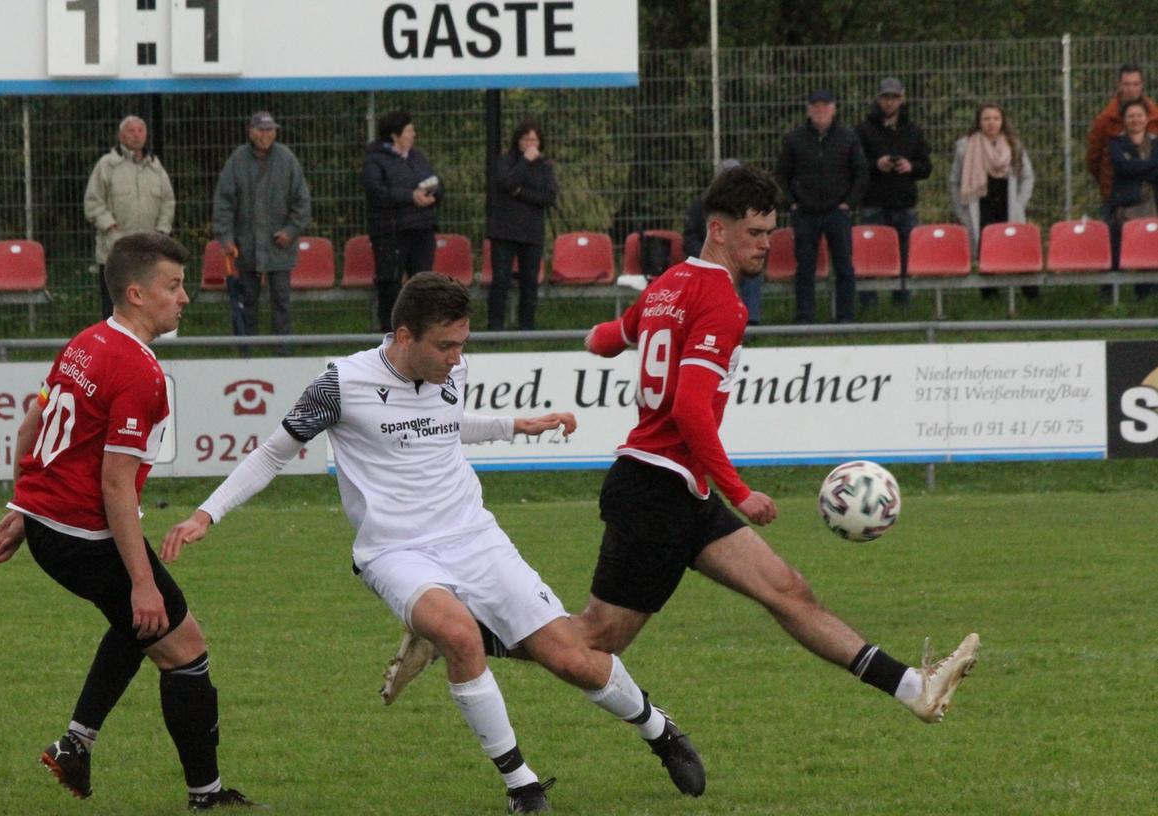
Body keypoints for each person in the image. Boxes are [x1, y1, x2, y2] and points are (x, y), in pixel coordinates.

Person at [380, 168, 982, 761]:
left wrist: (600, 339)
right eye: (754, 233)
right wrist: (739, 491)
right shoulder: (722, 301)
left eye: (770, 232)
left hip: (678, 487)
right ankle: (458, 636)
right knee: (593, 643)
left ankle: (915, 689)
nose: (765, 245)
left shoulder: (668, 284)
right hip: (655, 489)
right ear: (718, 230)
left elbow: (610, 337)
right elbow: (691, 407)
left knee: (788, 591)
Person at [161, 272, 706, 813]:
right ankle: (523, 786)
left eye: (462, 344)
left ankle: (660, 731)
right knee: (459, 635)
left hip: (474, 536)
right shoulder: (340, 385)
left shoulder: (453, 370)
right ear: (404, 337)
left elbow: (445, 423)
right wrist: (207, 513)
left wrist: (518, 425)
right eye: (445, 345)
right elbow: (273, 453)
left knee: (573, 659)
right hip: (394, 551)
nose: (456, 356)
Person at [0, 232, 256, 811]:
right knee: (184, 648)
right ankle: (207, 799)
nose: (184, 298)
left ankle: (76, 744)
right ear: (136, 292)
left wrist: (24, 508)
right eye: (172, 286)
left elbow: (33, 428)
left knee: (138, 628)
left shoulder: (85, 342)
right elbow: (112, 483)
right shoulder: (139, 370)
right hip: (85, 535)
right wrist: (142, 578)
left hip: (54, 530)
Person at [212, 111, 312, 350]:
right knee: (247, 301)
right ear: (251, 131)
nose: (265, 135)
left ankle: (282, 351)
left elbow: (302, 202)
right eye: (260, 130)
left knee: (281, 301)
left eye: (269, 130)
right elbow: (223, 204)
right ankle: (247, 352)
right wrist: (225, 238)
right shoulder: (237, 160)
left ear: (275, 132)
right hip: (245, 247)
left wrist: (290, 230)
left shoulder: (288, 160)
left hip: (280, 247)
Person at [776, 89, 867, 323]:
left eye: (825, 106)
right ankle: (804, 317)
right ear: (808, 110)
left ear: (834, 108)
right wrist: (792, 203)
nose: (820, 110)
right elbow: (781, 176)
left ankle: (846, 316)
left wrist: (849, 203)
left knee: (844, 267)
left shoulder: (848, 137)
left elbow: (861, 173)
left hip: (838, 212)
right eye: (815, 106)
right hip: (805, 213)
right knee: (805, 268)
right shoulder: (794, 139)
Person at [84, 116, 177, 320]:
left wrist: (161, 231)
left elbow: (168, 201)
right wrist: (110, 228)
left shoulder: (156, 166)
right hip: (114, 251)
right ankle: (112, 350)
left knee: (145, 306)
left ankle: (141, 349)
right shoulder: (106, 165)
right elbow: (93, 202)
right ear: (120, 135)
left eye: (140, 131)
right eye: (131, 131)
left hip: (148, 253)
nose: (136, 135)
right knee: (115, 307)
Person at [362, 111, 443, 333]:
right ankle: (389, 330)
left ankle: (421, 330)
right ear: (395, 135)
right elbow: (376, 192)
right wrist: (410, 197)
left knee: (423, 282)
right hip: (391, 231)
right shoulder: (375, 161)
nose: (413, 134)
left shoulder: (417, 157)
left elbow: (435, 180)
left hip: (422, 228)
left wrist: (434, 194)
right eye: (409, 130)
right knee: (390, 282)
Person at [855, 77, 932, 307]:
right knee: (869, 255)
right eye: (886, 97)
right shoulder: (863, 130)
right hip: (873, 202)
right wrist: (876, 164)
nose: (890, 102)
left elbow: (926, 167)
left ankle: (903, 302)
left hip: (904, 202)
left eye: (894, 97)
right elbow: (855, 165)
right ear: (879, 99)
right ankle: (868, 303)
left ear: (902, 98)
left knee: (905, 255)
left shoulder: (914, 131)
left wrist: (911, 166)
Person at [949, 104, 1036, 300]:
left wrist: (1019, 204)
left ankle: (1031, 296)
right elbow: (954, 182)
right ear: (979, 122)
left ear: (1002, 121)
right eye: (986, 119)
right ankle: (990, 298)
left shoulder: (1014, 145)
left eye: (995, 118)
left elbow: (1027, 177)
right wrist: (961, 211)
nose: (991, 123)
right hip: (981, 204)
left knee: (1018, 248)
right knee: (985, 250)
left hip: (1008, 204)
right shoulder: (965, 147)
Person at [1088, 64, 1158, 296]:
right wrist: (1112, 179)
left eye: (1135, 84)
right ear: (1119, 85)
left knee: (1150, 244)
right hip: (1116, 194)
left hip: (1151, 195)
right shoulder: (1105, 120)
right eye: (1126, 84)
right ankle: (1109, 295)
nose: (1130, 88)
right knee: (1113, 245)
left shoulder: (1156, 117)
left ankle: (1147, 294)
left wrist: (1133, 169)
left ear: (1142, 85)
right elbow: (1094, 157)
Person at [487, 119, 557, 331]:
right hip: (504, 232)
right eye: (526, 139)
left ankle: (527, 328)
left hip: (532, 233)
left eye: (534, 139)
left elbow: (548, 196)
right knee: (500, 281)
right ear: (518, 141)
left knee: (530, 282)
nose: (530, 143)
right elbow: (506, 183)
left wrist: (520, 193)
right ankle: (495, 328)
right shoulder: (505, 161)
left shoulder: (545, 167)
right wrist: (525, 162)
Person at [684, 158, 761, 322]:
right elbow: (689, 238)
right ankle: (712, 321)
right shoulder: (700, 206)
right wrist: (708, 257)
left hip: (737, 258)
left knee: (751, 271)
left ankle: (751, 321)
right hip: (708, 260)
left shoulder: (751, 208)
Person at [1107, 99, 1158, 300]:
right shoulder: (1115, 143)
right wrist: (1152, 164)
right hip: (1125, 207)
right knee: (1120, 251)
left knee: (1151, 250)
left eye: (1139, 115)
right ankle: (1112, 298)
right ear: (1124, 120)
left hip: (1152, 204)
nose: (1135, 119)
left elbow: (1135, 170)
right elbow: (1122, 168)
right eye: (1130, 116)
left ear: (1147, 119)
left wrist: (1135, 166)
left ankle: (1146, 296)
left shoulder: (1156, 142)